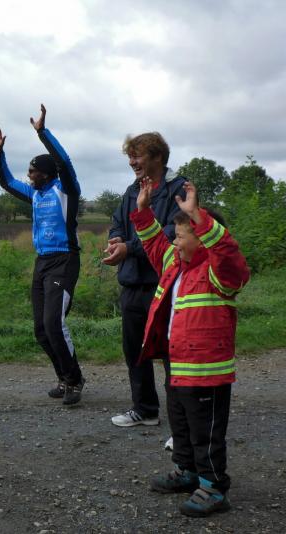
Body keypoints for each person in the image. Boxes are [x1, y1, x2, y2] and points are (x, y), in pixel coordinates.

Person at [131, 179, 250, 517]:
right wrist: (143, 211)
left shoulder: (218, 271)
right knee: (181, 423)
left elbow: (230, 256)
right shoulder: (175, 262)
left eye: (182, 236)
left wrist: (199, 215)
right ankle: (187, 471)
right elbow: (155, 243)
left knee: (205, 432)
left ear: (202, 238)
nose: (175, 242)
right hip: (179, 365)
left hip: (206, 372)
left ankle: (214, 487)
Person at [0, 104, 84, 405]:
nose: (29, 175)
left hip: (64, 260)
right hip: (42, 262)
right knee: (41, 330)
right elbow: (6, 182)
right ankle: (64, 377)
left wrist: (43, 133)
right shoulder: (35, 194)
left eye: (33, 171)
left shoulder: (66, 190)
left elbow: (64, 162)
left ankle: (75, 380)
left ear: (46, 174)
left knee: (54, 323)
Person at [103, 133, 187, 429]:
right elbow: (118, 222)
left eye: (137, 156)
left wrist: (130, 248)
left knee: (171, 354)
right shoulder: (132, 190)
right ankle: (145, 410)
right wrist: (116, 239)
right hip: (133, 284)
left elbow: (171, 233)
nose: (132, 162)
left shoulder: (179, 189)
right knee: (135, 351)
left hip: (164, 286)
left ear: (157, 157)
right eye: (130, 156)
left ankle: (182, 423)